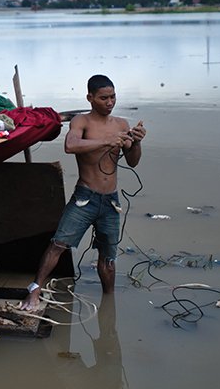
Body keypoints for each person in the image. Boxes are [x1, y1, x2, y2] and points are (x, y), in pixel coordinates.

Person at [20, 75, 146, 310]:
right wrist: (107, 141)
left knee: (108, 257)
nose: (110, 102)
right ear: (90, 98)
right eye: (104, 98)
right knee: (58, 244)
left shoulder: (121, 124)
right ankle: (34, 291)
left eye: (113, 97)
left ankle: (109, 305)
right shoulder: (81, 121)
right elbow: (71, 146)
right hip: (84, 198)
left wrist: (136, 143)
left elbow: (133, 162)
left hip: (111, 202)